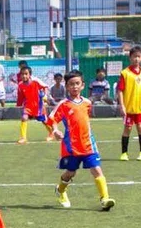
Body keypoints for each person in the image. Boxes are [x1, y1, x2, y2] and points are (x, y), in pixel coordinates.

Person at [46, 70, 114, 212]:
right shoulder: (64, 104)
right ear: (67, 86)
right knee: (70, 173)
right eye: (71, 84)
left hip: (89, 144)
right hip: (71, 147)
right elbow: (52, 119)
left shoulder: (88, 103)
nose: (74, 87)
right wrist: (55, 130)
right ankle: (61, 190)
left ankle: (104, 199)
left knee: (96, 169)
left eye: (77, 83)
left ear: (82, 85)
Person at [116, 46, 141, 162]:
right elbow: (120, 90)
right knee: (127, 129)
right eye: (134, 56)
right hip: (129, 108)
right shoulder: (125, 73)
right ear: (130, 58)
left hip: (139, 107)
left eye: (139, 57)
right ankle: (124, 153)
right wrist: (122, 106)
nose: (136, 59)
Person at [16, 66, 53, 144]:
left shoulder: (35, 81)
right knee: (24, 118)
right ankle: (23, 138)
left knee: (44, 121)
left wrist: (45, 96)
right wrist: (19, 104)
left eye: (26, 74)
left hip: (38, 106)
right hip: (28, 106)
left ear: (30, 75)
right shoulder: (20, 85)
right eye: (22, 74)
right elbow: (21, 96)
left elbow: (45, 87)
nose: (24, 76)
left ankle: (51, 133)